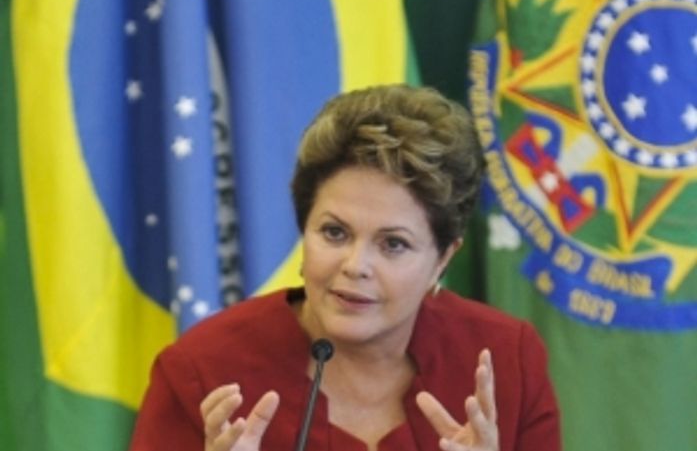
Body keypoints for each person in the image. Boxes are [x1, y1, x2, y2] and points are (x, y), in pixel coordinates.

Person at [129, 85, 561, 451]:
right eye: (335, 233)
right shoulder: (203, 371)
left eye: (393, 244)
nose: (356, 266)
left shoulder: (506, 363)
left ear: (443, 258)